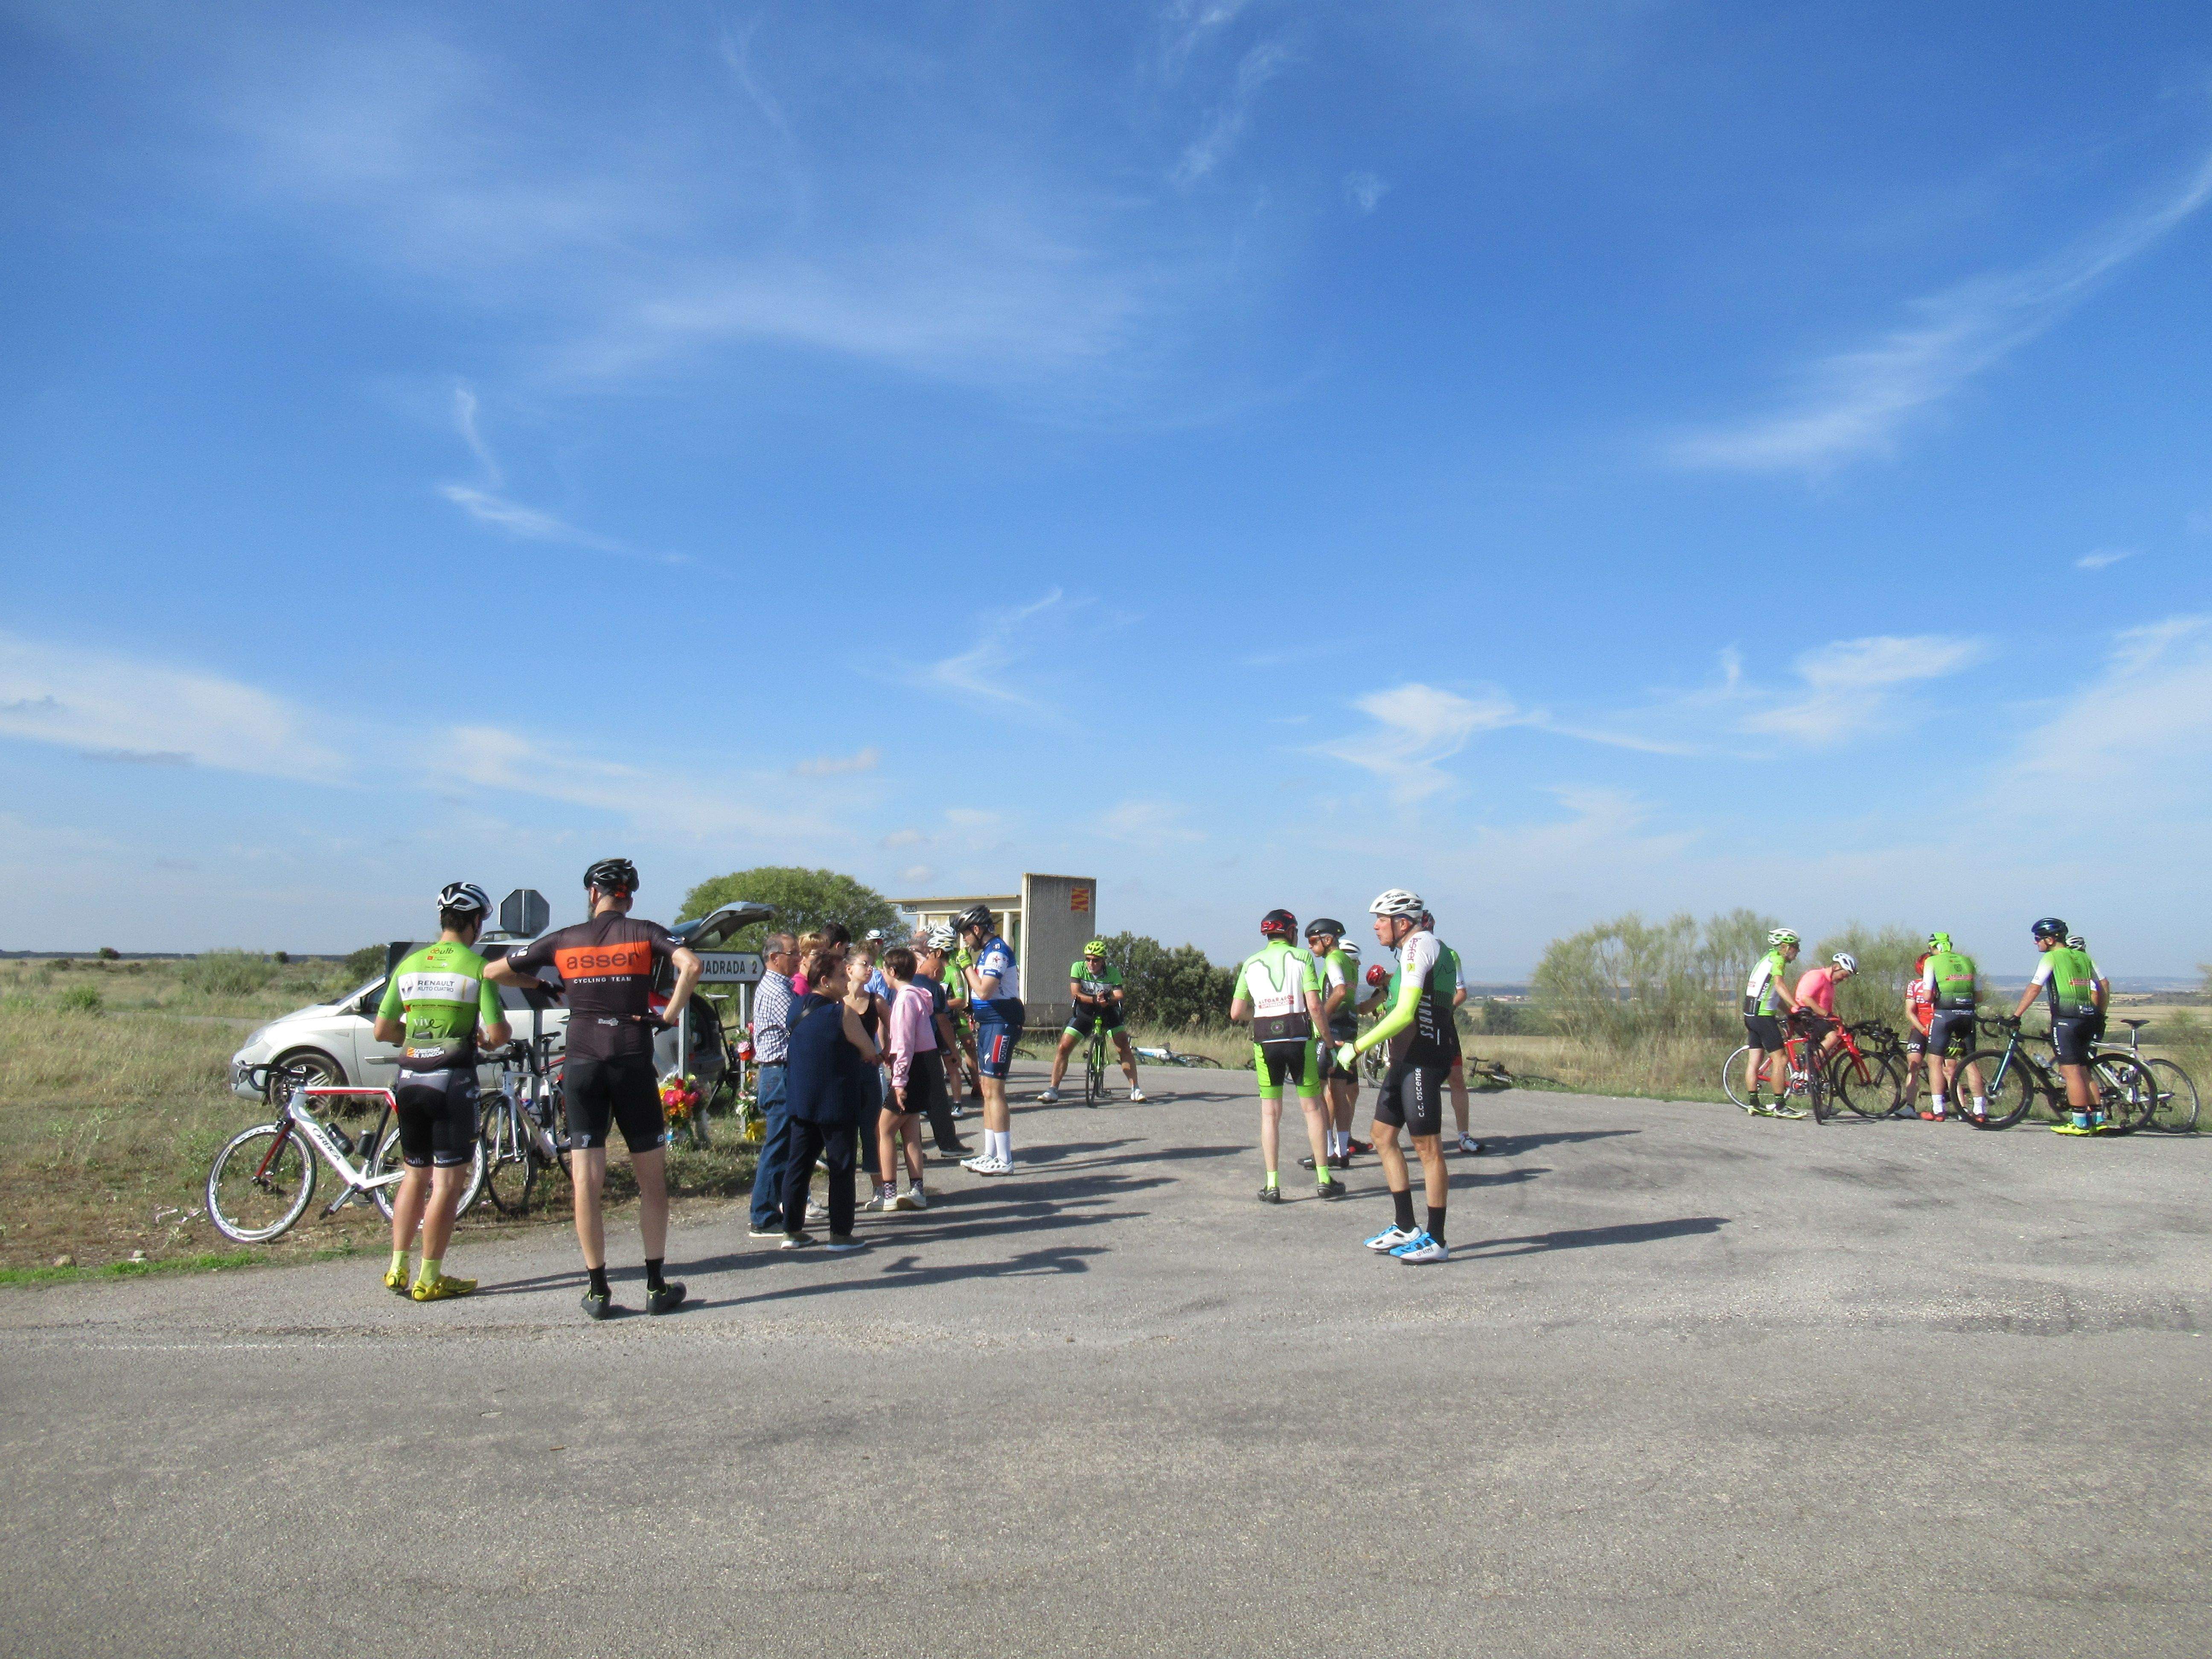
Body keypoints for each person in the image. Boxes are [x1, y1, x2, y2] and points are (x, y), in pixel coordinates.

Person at [489, 857, 701, 1319]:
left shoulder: (565, 939)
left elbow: (493, 972)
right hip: (630, 1057)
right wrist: (667, 1017)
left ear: (592, 895)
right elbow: (691, 965)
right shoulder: (644, 932)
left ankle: (599, 1290)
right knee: (651, 1179)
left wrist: (541, 984)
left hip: (583, 1061)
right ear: (629, 897)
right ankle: (655, 1285)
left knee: (586, 1180)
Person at [371, 882, 511, 1302]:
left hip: (410, 1079)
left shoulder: (411, 964)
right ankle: (430, 1277)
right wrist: (484, 1041)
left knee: (414, 1175)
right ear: (475, 922)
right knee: (448, 1184)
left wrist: (415, 1037)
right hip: (451, 1081)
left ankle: (398, 1267)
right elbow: (500, 1032)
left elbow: (383, 1030)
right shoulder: (477, 966)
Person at [1334, 890, 1455, 1264]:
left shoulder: (1421, 943)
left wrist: (1356, 1048)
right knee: (1382, 1136)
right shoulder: (1408, 950)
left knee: (1427, 1147)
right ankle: (1406, 1226)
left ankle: (1437, 1239)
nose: (1374, 926)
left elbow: (1404, 1014)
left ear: (1402, 923)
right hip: (1404, 1056)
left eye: (1380, 920)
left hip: (1423, 1056)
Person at [1228, 910, 1342, 1204]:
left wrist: (1262, 1015)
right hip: (1298, 1036)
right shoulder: (1302, 958)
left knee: (1270, 1114)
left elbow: (1237, 1012)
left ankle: (1272, 1184)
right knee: (1313, 1109)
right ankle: (1324, 1179)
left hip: (1265, 1039)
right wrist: (1329, 1043)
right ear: (1291, 933)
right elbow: (1315, 1007)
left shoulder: (1250, 963)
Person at [781, 947, 875, 1249]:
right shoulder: (842, 1012)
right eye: (841, 976)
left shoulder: (796, 1008)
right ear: (825, 980)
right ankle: (840, 1234)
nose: (847, 981)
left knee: (798, 1165)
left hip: (801, 1099)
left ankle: (791, 1231)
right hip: (836, 1100)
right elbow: (868, 1050)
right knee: (841, 1166)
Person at [2013, 918, 2107, 1135]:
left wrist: (2017, 1014)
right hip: (2089, 1018)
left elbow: (2034, 988)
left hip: (2066, 1019)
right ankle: (2098, 1119)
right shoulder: (2084, 957)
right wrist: (2100, 1014)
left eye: (2038, 939)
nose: (2035, 943)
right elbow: (2103, 984)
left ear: (2050, 939)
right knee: (2084, 1070)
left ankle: (2079, 1123)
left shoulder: (2052, 957)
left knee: (2070, 1071)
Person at [955, 904, 1024, 1175]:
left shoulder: (997, 952)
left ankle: (1005, 1160)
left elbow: (984, 991)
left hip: (1002, 1022)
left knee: (995, 1090)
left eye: (965, 934)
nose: (964, 941)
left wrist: (966, 968)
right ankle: (989, 1153)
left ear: (976, 929)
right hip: (988, 1023)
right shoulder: (986, 952)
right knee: (986, 1089)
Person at [1039, 939, 1144, 1104]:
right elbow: (1075, 993)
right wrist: (1095, 1000)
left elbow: (1119, 995)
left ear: (1103, 961)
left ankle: (1135, 1088)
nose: (1091, 963)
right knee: (1063, 1047)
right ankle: (1053, 1089)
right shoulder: (1078, 968)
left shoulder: (1113, 972)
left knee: (1123, 1045)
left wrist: (1107, 1000)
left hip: (1109, 1011)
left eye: (1095, 960)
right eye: (1088, 959)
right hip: (1085, 1011)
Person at [879, 946, 942, 1210]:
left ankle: (889, 1193)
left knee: (884, 1129)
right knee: (911, 1130)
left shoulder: (905, 999)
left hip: (912, 1068)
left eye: (884, 969)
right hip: (925, 1064)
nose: (882, 973)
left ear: (893, 972)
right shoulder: (918, 996)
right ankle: (917, 1190)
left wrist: (899, 1082)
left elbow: (904, 1043)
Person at [745, 933, 799, 1239]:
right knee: (778, 1144)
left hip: (781, 1073)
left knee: (786, 1142)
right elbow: (798, 1026)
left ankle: (774, 1207)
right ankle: (763, 1215)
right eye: (793, 953)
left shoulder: (783, 987)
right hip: (778, 1073)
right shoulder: (777, 991)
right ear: (774, 957)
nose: (798, 958)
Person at [1302, 921, 1360, 1170]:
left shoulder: (1334, 959)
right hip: (1349, 1027)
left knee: (1319, 1091)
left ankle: (1324, 1152)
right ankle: (1342, 1149)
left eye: (1314, 941)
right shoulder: (1350, 962)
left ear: (1327, 940)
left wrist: (1320, 1020)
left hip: (1332, 1028)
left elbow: (1337, 992)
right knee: (1340, 1090)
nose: (1310, 947)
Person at [911, 927, 973, 1158]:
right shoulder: (934, 987)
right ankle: (948, 1144)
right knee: (937, 1097)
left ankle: (914, 1148)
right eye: (943, 967)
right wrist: (952, 1054)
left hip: (907, 1048)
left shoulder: (906, 982)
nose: (943, 972)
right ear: (936, 960)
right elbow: (943, 1023)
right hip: (927, 1047)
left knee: (910, 1102)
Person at [1919, 932, 1986, 1123]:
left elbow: (1926, 996)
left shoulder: (1933, 962)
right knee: (1971, 1061)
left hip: (1945, 1014)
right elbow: (1980, 997)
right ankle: (1980, 1110)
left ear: (1935, 948)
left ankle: (1938, 1110)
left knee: (1935, 1061)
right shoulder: (1968, 961)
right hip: (1968, 1014)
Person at [1740, 928, 1805, 1118]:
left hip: (1750, 1016)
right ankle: (1780, 1106)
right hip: (1763, 1016)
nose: (1798, 951)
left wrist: (1790, 1011)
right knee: (1781, 1059)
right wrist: (1797, 1006)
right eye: (1795, 947)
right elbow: (1779, 985)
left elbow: (1772, 996)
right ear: (1785, 947)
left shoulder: (1766, 959)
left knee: (1755, 1061)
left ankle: (1754, 1104)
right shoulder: (1778, 961)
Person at [1790, 951, 1857, 1060]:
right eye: (1844, 975)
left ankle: (1812, 1064)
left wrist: (1836, 1021)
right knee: (1833, 1037)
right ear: (1835, 967)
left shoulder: (1830, 984)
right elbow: (1805, 998)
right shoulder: (1817, 976)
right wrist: (1827, 1015)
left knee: (1840, 1035)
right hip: (1802, 1017)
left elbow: (1827, 1008)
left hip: (1816, 1019)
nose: (1844, 980)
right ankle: (1811, 1067)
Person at [1898, 949, 1934, 1114]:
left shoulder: (1942, 984)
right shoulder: (1914, 985)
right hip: (1920, 1029)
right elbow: (1910, 1012)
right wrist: (1922, 1029)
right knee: (1914, 1065)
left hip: (1939, 1029)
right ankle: (1910, 1107)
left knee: (1948, 1068)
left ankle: (1957, 1107)